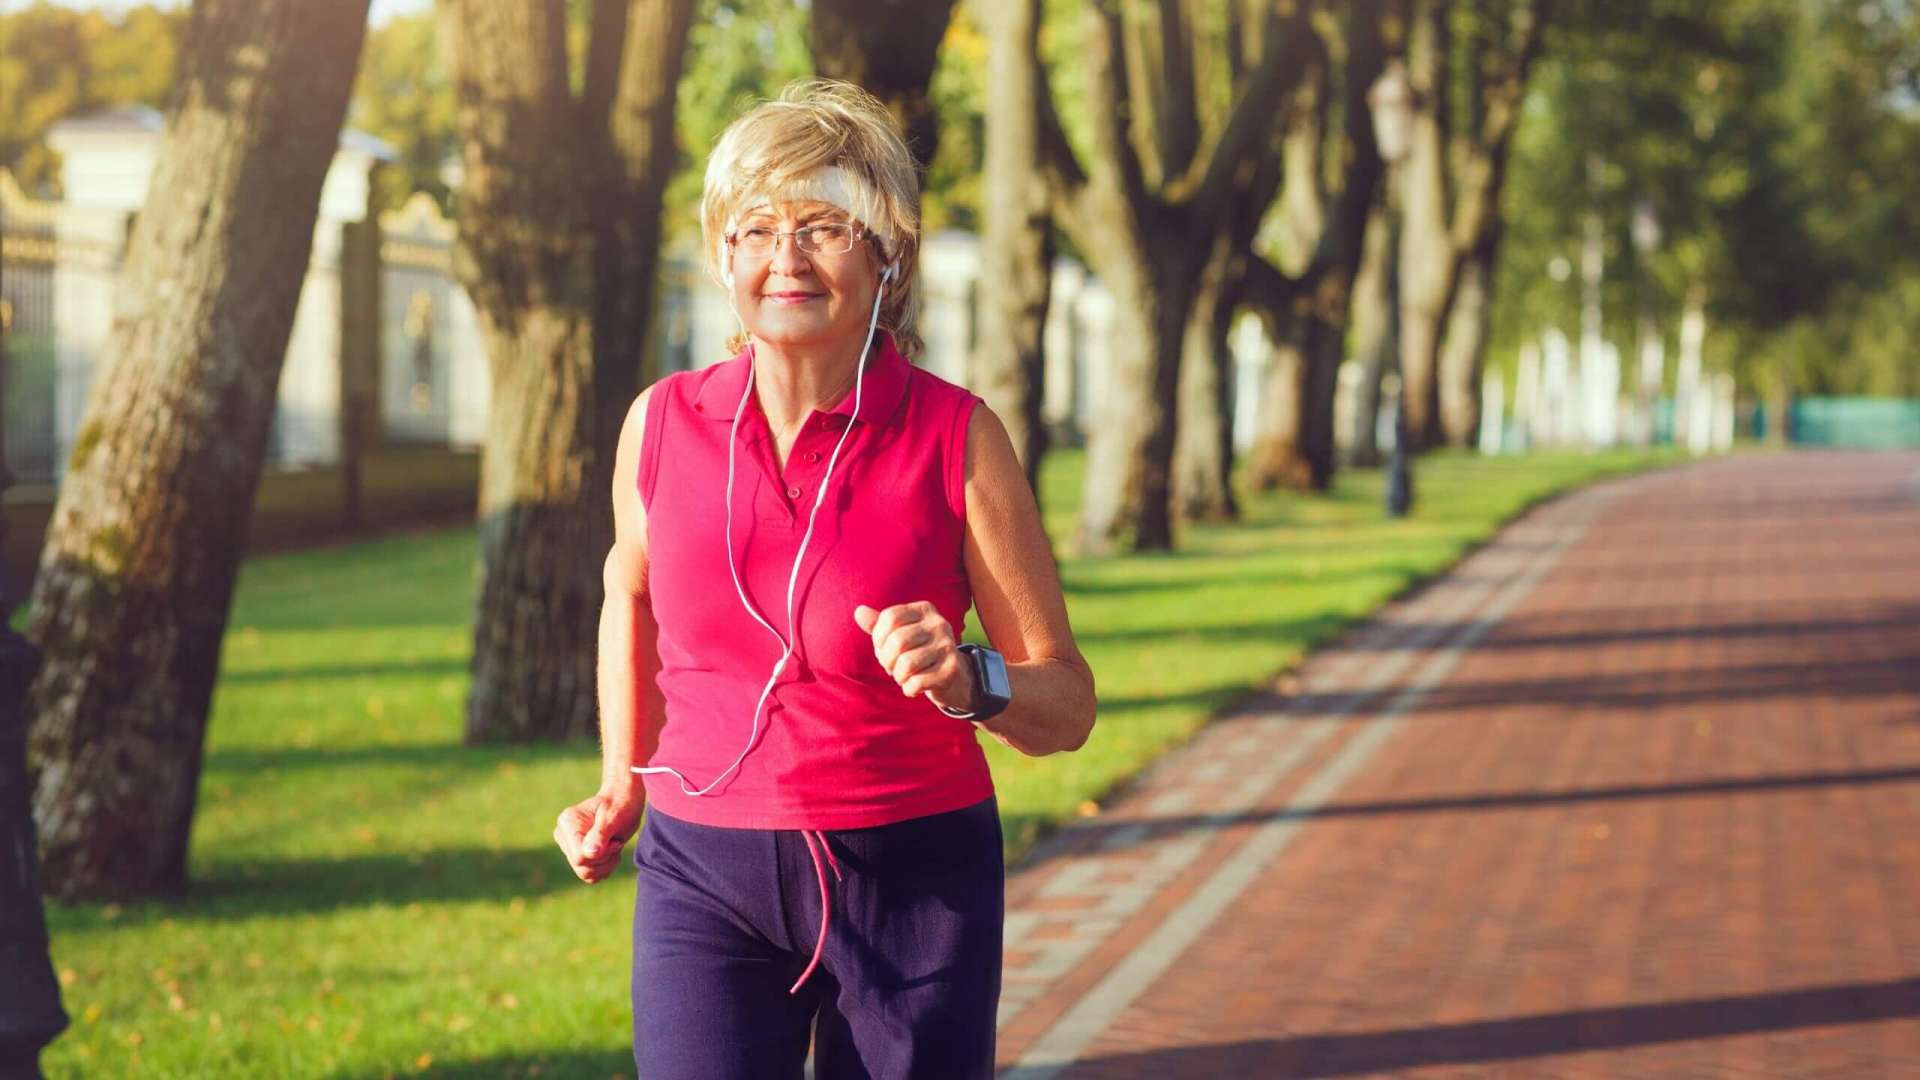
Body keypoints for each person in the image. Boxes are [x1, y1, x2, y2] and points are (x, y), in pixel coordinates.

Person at [550, 81, 1096, 1079]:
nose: (785, 258)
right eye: (755, 228)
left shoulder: (956, 437)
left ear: (889, 257)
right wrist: (619, 782)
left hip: (912, 870)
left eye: (825, 227)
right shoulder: (661, 423)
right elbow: (627, 591)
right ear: (722, 257)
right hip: (701, 870)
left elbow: (1066, 703)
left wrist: (975, 680)